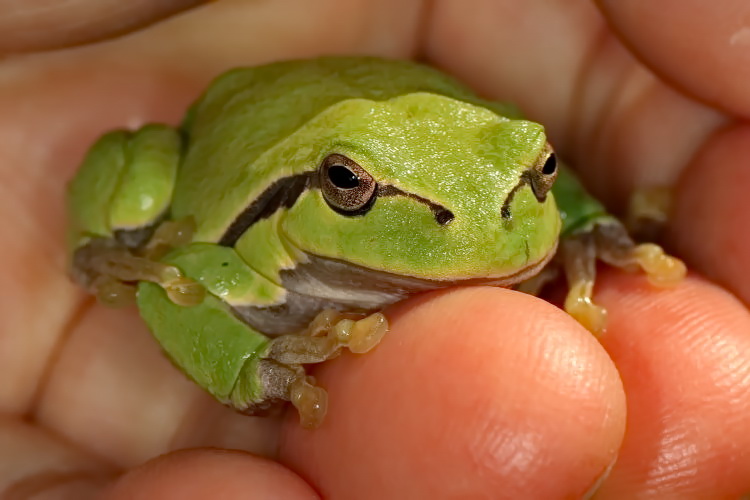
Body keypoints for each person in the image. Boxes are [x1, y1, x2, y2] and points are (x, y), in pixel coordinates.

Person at [2, 1, 749, 498]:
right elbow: (177, 280)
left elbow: (508, 151)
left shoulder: (503, 180)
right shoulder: (260, 248)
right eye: (349, 187)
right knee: (136, 195)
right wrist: (247, 365)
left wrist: (580, 213)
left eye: (544, 174)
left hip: (429, 129)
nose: (470, 232)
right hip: (241, 156)